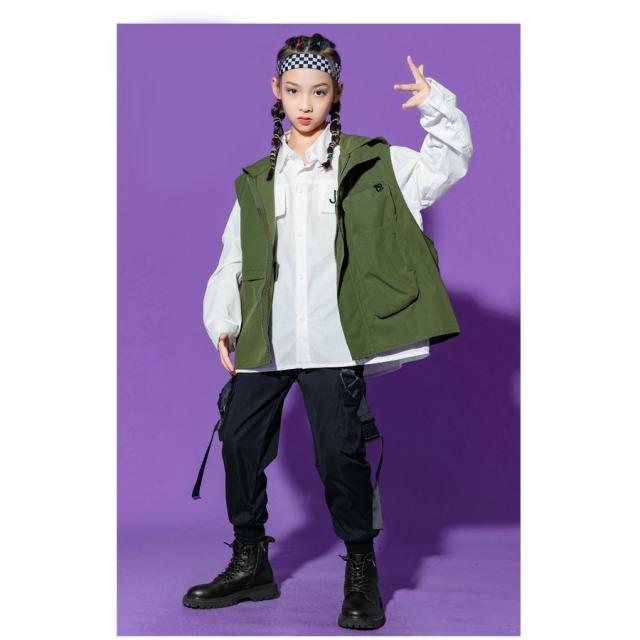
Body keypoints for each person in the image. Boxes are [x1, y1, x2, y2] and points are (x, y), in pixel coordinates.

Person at [182, 33, 473, 630]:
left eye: (318, 91)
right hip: (267, 337)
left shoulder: (372, 162)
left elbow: (445, 166)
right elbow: (233, 256)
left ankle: (361, 568)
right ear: (277, 91)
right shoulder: (257, 179)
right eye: (294, 91)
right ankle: (250, 562)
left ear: (337, 92)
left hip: (335, 338)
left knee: (339, 454)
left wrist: (434, 104)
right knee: (238, 441)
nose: (305, 104)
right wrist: (223, 321)